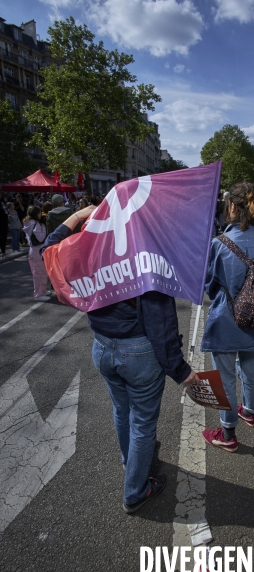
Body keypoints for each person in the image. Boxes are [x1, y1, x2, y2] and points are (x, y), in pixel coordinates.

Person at [41, 206, 201, 513]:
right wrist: (180, 371)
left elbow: (47, 249)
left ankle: (132, 463)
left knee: (122, 409)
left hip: (102, 347)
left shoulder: (86, 250)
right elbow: (160, 323)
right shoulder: (145, 254)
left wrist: (76, 216)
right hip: (138, 351)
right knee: (142, 422)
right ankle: (136, 490)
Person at [200, 182, 254, 452]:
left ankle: (227, 433)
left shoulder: (219, 244)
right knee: (250, 366)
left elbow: (210, 285)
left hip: (226, 318)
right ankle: (250, 410)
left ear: (232, 207)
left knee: (225, 377)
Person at [23, 206, 51, 301]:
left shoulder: (28, 223)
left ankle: (41, 291)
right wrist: (43, 229)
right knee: (41, 273)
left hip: (32, 250)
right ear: (37, 214)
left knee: (37, 273)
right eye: (39, 213)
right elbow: (40, 238)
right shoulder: (36, 224)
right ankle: (39, 294)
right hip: (38, 250)